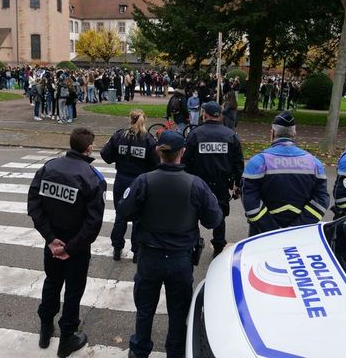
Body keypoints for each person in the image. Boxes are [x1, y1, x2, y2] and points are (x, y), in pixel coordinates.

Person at [117, 131, 223, 358]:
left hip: (150, 257)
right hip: (180, 259)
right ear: (182, 153)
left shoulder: (144, 181)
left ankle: (139, 349)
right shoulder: (196, 184)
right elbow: (214, 219)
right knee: (178, 310)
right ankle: (174, 351)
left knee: (145, 308)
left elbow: (124, 211)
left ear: (158, 151)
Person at [27, 127, 107, 358]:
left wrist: (51, 240)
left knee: (52, 282)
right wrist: (70, 248)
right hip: (76, 248)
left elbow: (34, 205)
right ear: (89, 147)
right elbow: (93, 223)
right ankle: (67, 338)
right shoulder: (93, 177)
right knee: (73, 290)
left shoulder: (49, 168)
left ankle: (45, 328)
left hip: (53, 243)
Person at [242, 112, 329, 236]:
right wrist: (296, 228)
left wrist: (271, 229)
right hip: (300, 235)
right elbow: (321, 200)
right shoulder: (314, 163)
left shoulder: (258, 162)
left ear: (272, 132)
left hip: (262, 234)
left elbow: (249, 200)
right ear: (294, 133)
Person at [183, 101, 245, 256]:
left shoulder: (195, 134)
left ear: (205, 115)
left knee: (193, 214)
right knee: (220, 216)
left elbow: (186, 160)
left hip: (197, 182)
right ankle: (218, 246)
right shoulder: (230, 135)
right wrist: (238, 184)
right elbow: (238, 163)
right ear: (220, 115)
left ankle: (193, 244)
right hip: (222, 183)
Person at [100, 110, 158, 262]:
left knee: (121, 216)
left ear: (130, 120)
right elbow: (156, 163)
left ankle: (117, 249)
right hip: (140, 183)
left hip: (121, 181)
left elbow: (105, 155)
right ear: (144, 120)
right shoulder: (148, 139)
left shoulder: (119, 135)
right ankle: (137, 252)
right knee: (139, 218)